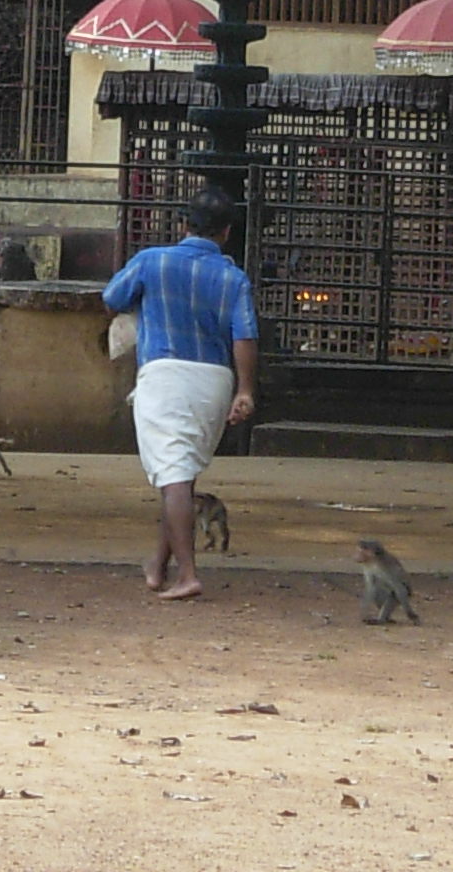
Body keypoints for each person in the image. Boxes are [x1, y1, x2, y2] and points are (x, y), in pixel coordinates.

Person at [102, 189, 259, 601]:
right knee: (181, 475)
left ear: (183, 225)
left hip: (165, 375)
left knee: (173, 475)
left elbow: (111, 298)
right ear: (226, 232)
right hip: (214, 381)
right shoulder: (233, 277)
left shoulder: (152, 261)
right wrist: (244, 389)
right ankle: (158, 565)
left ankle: (187, 574)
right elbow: (244, 335)